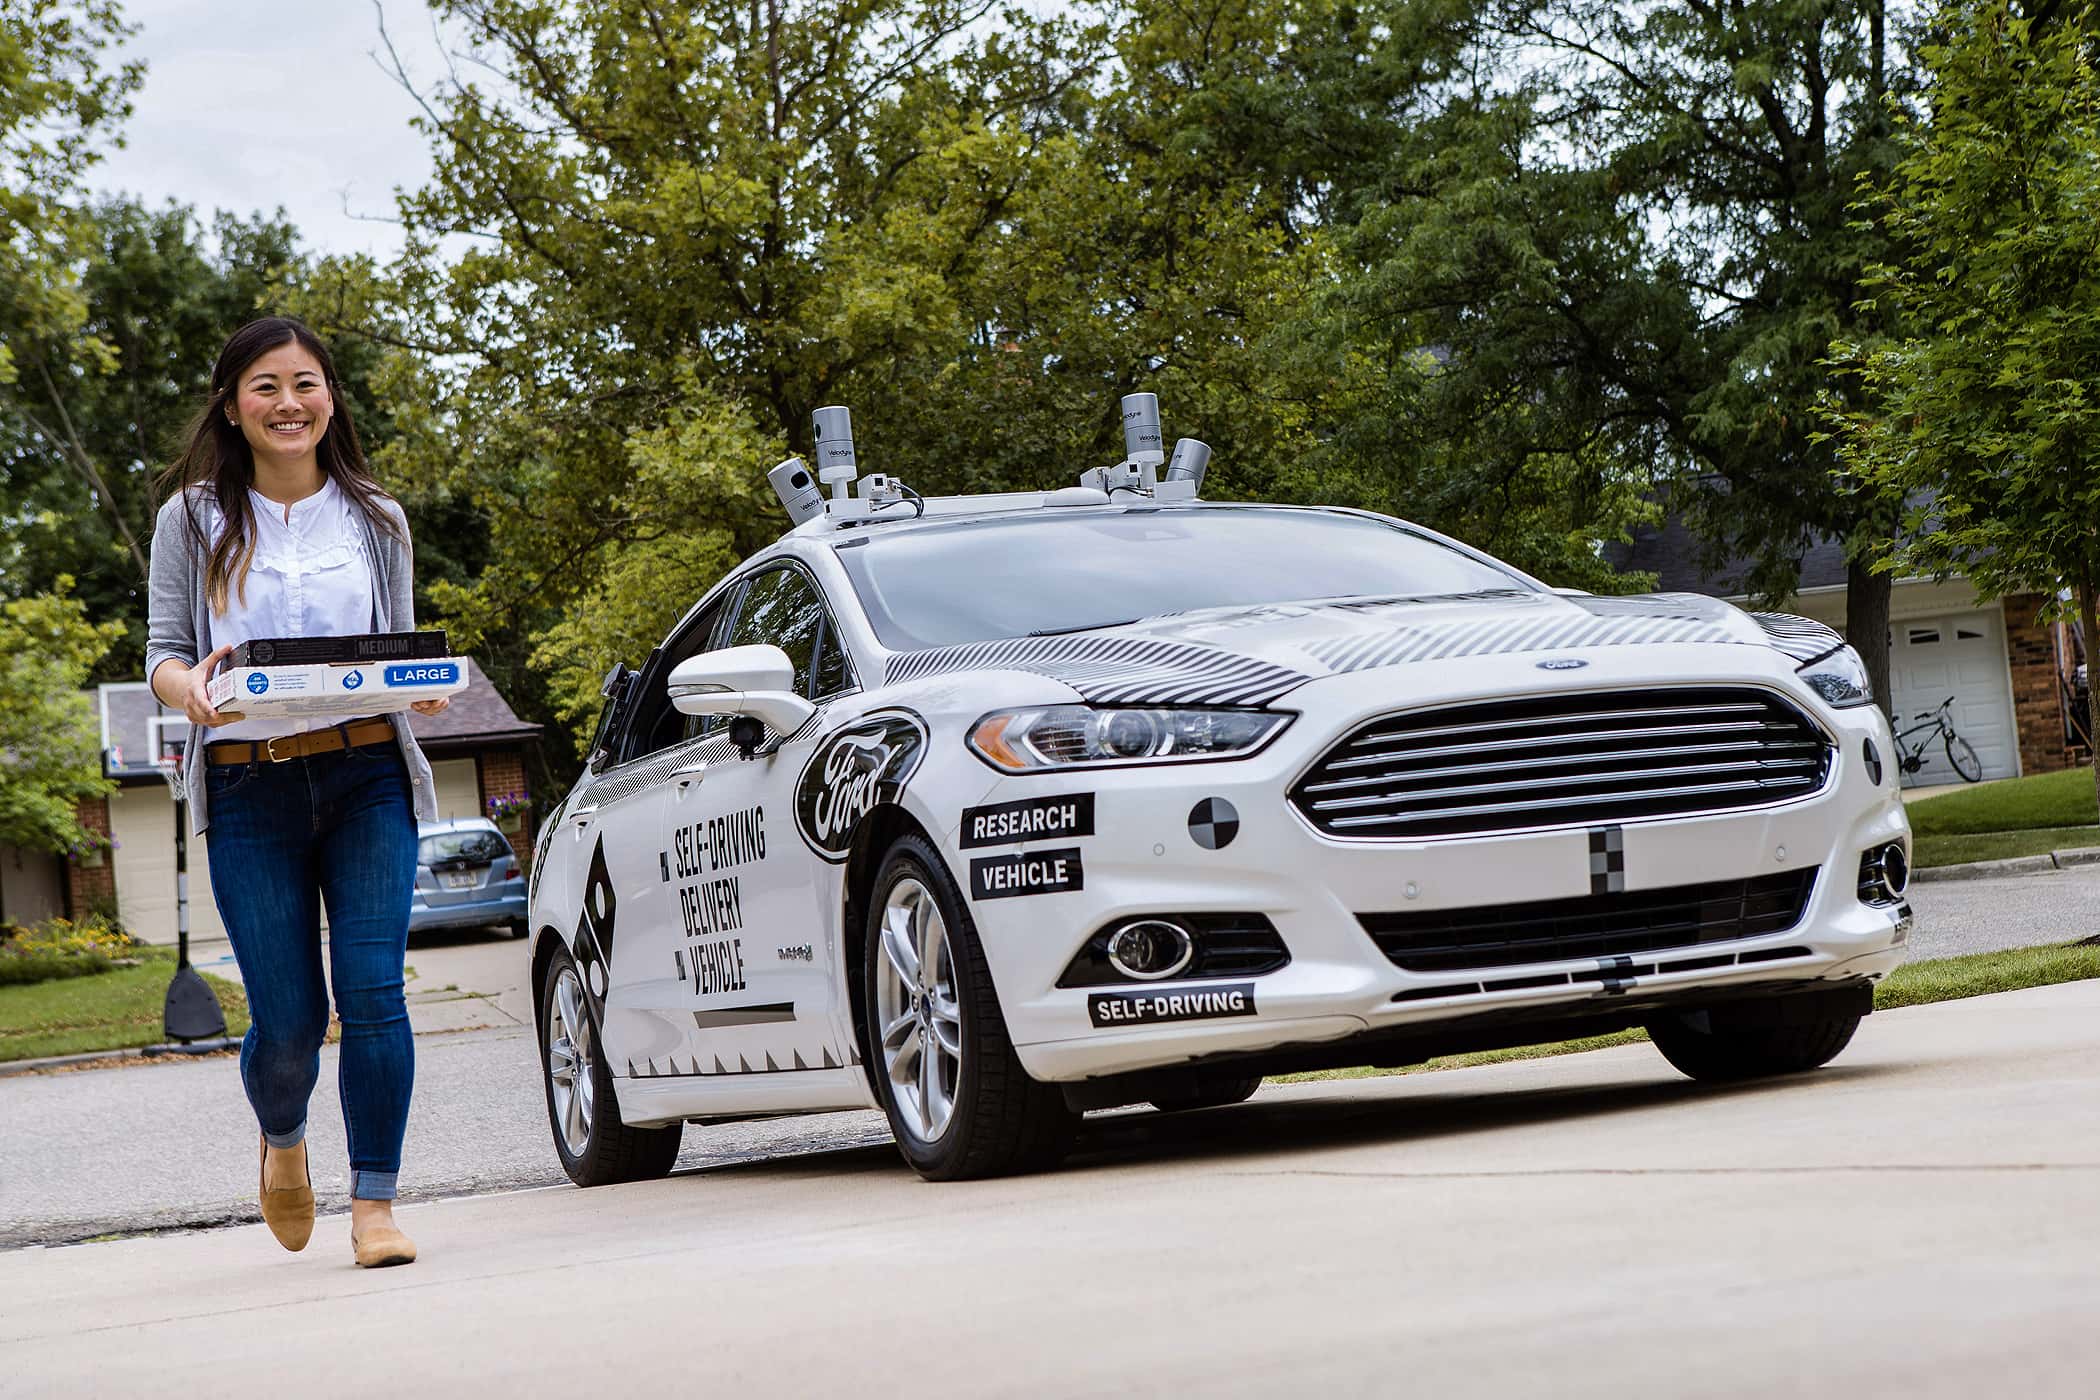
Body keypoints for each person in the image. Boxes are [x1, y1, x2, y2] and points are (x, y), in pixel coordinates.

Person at [145, 317, 446, 1268]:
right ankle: (283, 1139)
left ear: (330, 398)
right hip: (247, 788)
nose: (289, 403)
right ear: (233, 408)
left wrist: (421, 686)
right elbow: (162, 650)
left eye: (306, 383)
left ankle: (375, 1204)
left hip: (365, 777)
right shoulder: (191, 519)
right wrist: (185, 688)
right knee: (289, 1022)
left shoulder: (378, 519)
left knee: (373, 993)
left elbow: (396, 648)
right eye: (266, 386)